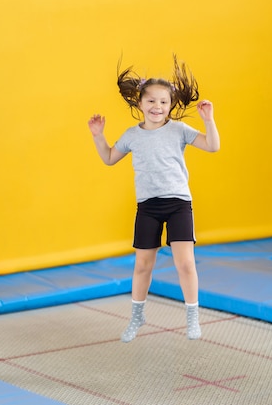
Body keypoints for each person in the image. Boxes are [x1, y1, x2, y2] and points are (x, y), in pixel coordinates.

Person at [87, 56, 220, 342]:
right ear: (140, 104)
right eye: (151, 102)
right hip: (147, 206)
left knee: (185, 263)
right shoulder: (132, 135)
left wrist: (208, 120)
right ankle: (137, 316)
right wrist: (99, 136)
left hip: (178, 204)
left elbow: (212, 146)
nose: (157, 107)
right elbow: (110, 158)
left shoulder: (179, 131)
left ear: (170, 105)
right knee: (142, 265)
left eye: (162, 102)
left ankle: (192, 317)